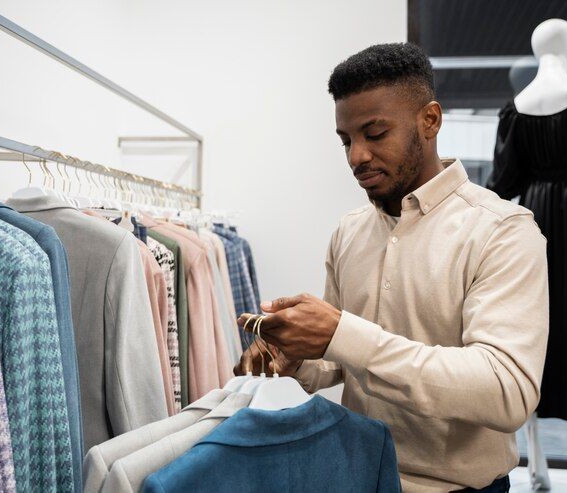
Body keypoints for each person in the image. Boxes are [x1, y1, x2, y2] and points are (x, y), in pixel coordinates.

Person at [234, 43, 549, 493]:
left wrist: (342, 334)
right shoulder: (349, 232)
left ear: (430, 120)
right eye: (346, 140)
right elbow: (342, 363)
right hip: (352, 476)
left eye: (375, 134)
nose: (356, 157)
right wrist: (295, 359)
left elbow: (507, 391)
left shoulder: (503, 231)